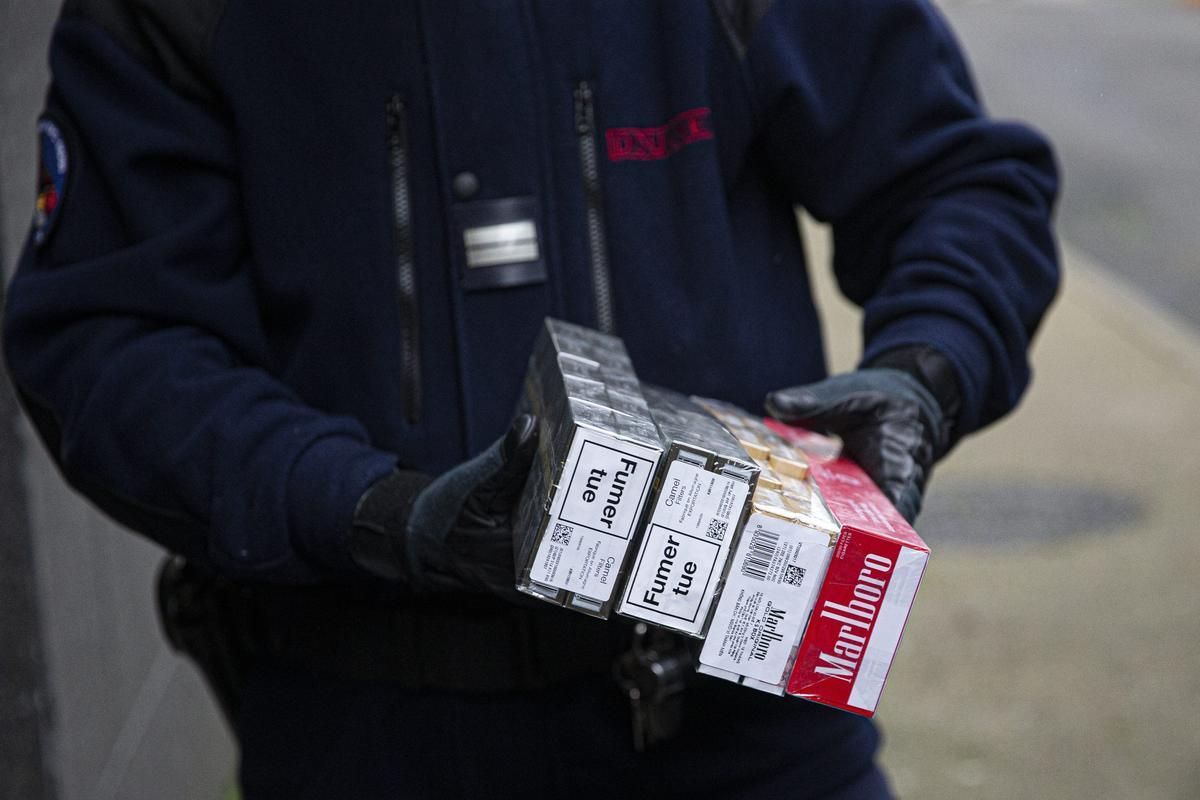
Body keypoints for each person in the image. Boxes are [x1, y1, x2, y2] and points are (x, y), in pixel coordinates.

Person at [3, 0, 1058, 797]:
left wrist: (925, 369)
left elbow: (957, 181)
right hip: (365, 736)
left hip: (747, 733)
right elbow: (111, 341)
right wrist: (374, 509)